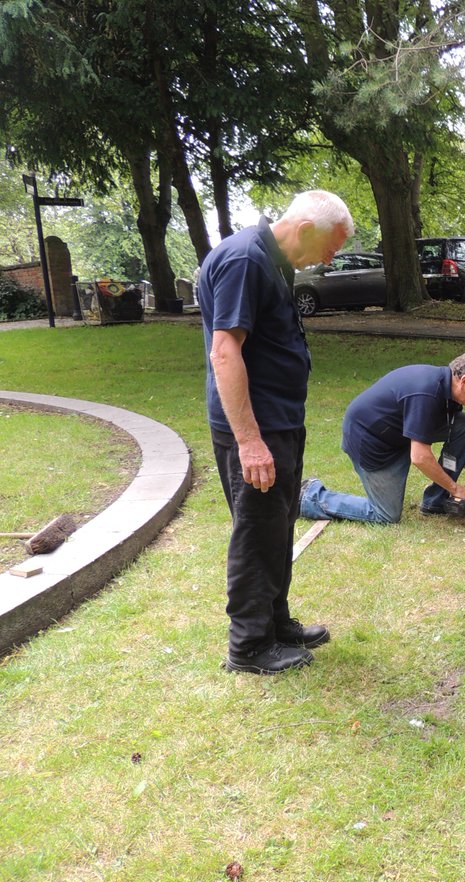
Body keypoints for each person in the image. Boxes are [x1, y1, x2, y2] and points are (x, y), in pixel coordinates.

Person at [198, 190, 354, 675]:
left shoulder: (274, 260)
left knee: (276, 526)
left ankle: (274, 622)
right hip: (257, 428)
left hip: (280, 422)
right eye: (333, 245)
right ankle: (247, 646)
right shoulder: (246, 259)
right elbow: (225, 352)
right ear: (307, 227)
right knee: (257, 531)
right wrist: (248, 441)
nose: (333, 258)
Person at [300, 351, 465, 524]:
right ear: (464, 381)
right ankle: (311, 496)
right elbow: (420, 457)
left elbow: (459, 443)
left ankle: (436, 501)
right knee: (385, 514)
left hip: (398, 434)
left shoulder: (448, 391)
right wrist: (455, 488)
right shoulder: (427, 393)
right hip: (370, 441)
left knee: (463, 424)